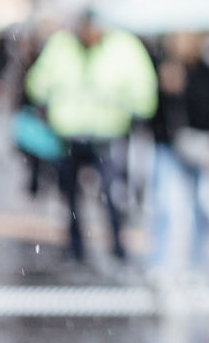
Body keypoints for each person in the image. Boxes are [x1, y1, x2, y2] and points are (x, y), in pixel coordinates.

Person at [25, 13, 157, 264]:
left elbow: (142, 88)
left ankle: (116, 247)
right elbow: (38, 83)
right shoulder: (61, 47)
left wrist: (137, 113)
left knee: (110, 193)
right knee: (71, 195)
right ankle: (77, 248)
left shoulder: (122, 48)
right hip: (69, 135)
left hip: (106, 134)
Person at [147, 31, 209, 279]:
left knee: (201, 208)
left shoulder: (205, 72)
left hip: (200, 148)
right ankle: (162, 262)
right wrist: (167, 91)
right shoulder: (162, 69)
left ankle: (199, 264)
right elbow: (154, 115)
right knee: (167, 206)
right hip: (170, 146)